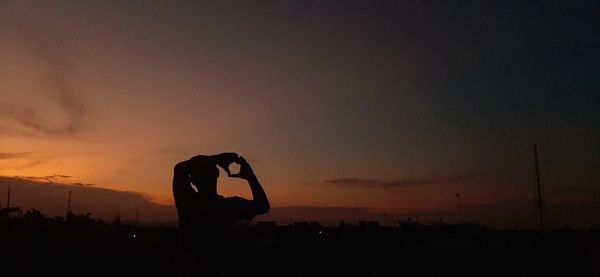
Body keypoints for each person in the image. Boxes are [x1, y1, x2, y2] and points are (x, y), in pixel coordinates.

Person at [172, 153, 270, 276]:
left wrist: (216, 159)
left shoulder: (188, 202)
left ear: (192, 180)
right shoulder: (228, 206)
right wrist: (250, 177)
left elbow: (179, 168)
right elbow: (262, 206)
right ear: (217, 173)